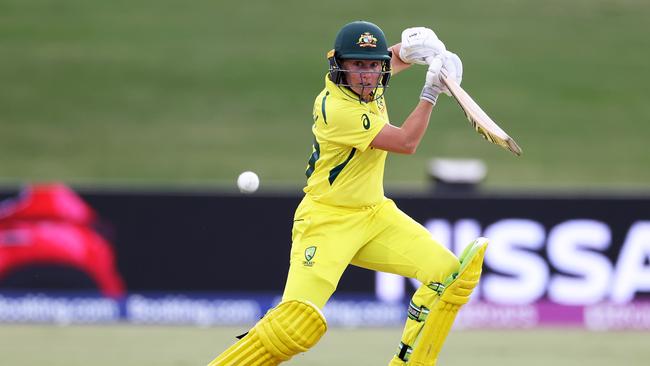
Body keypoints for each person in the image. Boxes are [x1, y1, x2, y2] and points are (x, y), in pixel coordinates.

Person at [208, 20, 488, 366]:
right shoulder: (338, 109)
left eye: (373, 66)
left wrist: (423, 49)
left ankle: (409, 361)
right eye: (357, 65)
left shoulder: (371, 83)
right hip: (327, 222)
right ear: (340, 66)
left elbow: (394, 57)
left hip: (375, 216)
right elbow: (406, 142)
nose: (367, 75)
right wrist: (431, 91)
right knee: (291, 327)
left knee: (447, 274)